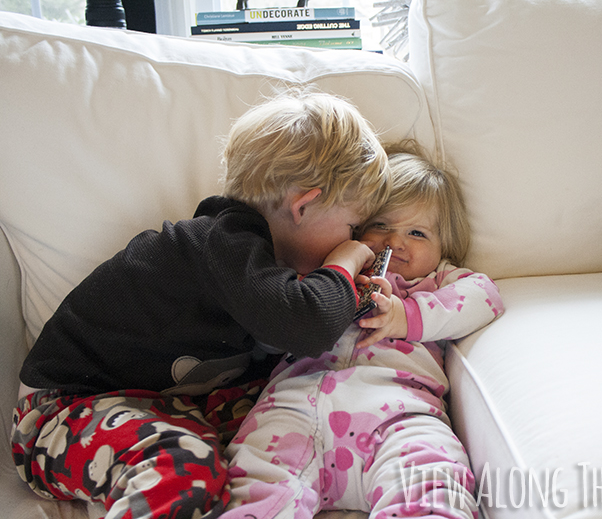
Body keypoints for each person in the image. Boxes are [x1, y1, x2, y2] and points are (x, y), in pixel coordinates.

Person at [10, 88, 390, 519]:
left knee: (298, 416)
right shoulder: (219, 243)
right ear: (304, 205)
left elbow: (305, 325)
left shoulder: (262, 269)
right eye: (351, 226)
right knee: (182, 467)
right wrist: (343, 264)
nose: (353, 241)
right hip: (62, 413)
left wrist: (360, 299)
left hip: (167, 405)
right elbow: (304, 325)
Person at [222, 146, 504, 519]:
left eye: (417, 232)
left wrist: (405, 316)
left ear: (444, 248)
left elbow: (485, 297)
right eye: (381, 225)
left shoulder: (437, 281)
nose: (395, 242)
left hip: (399, 414)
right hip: (292, 407)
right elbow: (271, 321)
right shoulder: (324, 273)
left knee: (432, 480)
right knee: (253, 485)